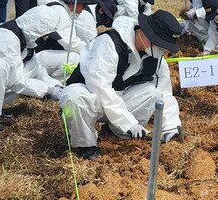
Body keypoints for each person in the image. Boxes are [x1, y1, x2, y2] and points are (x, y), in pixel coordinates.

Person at [60, 9, 183, 160]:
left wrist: (171, 126)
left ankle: (115, 131)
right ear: (145, 33)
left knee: (154, 93)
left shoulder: (156, 57)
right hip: (92, 97)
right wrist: (128, 122)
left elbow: (165, 92)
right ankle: (84, 144)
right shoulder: (109, 43)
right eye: (160, 45)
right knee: (74, 98)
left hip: (120, 98)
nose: (162, 50)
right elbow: (100, 87)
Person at [0, 15, 61, 132]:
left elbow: (37, 69)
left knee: (24, 72)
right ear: (36, 31)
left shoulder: (23, 39)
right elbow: (15, 81)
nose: (44, 38)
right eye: (44, 35)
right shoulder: (6, 39)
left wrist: (56, 86)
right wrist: (47, 90)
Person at [19, 0, 91, 80]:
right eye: (83, 5)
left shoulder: (49, 3)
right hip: (30, 58)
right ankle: (55, 83)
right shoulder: (60, 13)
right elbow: (72, 44)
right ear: (74, 3)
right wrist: (92, 51)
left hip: (25, 52)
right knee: (74, 58)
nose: (82, 10)